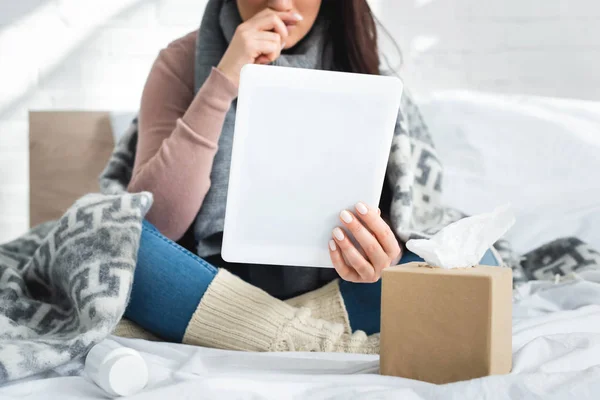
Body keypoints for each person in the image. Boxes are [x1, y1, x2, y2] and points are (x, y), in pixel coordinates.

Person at [117, 0, 500, 352]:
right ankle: (313, 338)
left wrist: (382, 255)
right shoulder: (181, 60)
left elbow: (407, 223)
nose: (281, 3)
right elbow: (155, 221)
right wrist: (223, 82)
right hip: (204, 277)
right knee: (120, 240)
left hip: (315, 287)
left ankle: (232, 328)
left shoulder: (361, 62)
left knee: (478, 261)